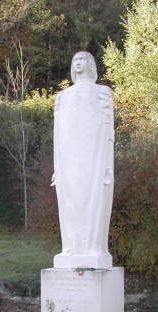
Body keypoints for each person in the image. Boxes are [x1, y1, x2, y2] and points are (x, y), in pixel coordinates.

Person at [52, 51, 115, 269]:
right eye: (75, 60)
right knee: (69, 200)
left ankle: (92, 249)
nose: (78, 63)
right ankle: (71, 246)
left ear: (90, 65)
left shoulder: (102, 93)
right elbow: (57, 134)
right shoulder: (63, 96)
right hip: (69, 158)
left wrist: (107, 164)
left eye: (82, 60)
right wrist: (57, 166)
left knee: (93, 197)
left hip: (93, 156)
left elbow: (108, 131)